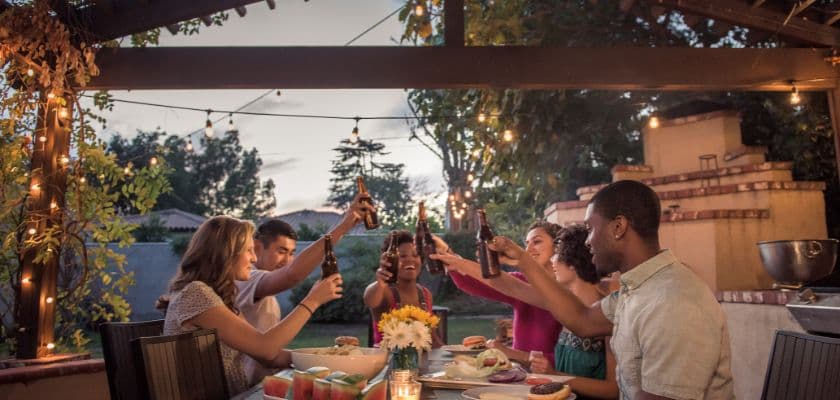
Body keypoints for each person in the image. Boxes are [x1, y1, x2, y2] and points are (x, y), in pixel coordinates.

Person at [488, 181, 735, 400]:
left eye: (592, 228)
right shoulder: (639, 289)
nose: (587, 241)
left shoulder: (673, 302)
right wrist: (522, 259)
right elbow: (581, 320)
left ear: (618, 226)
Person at [156, 216, 343, 395]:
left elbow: (270, 357)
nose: (254, 258)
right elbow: (265, 348)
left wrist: (329, 358)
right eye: (248, 250)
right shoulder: (196, 294)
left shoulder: (217, 297)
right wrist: (312, 301)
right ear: (226, 252)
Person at [433, 225, 618, 399]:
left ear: (573, 261)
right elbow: (509, 285)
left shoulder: (605, 311)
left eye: (558, 253)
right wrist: (454, 260)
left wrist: (552, 374)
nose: (553, 259)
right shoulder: (563, 303)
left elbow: (613, 390)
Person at [235, 195, 368, 382]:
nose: (287, 261)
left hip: (266, 384)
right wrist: (345, 225)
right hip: (246, 389)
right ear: (257, 247)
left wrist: (325, 358)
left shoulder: (266, 294)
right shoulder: (246, 279)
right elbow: (292, 274)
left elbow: (270, 353)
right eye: (281, 252)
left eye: (292, 254)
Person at [442, 221, 563, 364]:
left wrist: (514, 354)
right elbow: (471, 282)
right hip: (521, 375)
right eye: (526, 243)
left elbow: (567, 360)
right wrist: (447, 255)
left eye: (537, 242)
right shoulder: (522, 281)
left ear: (558, 246)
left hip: (553, 379)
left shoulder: (568, 291)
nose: (528, 249)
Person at [364, 230, 443, 348]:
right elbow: (370, 300)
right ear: (389, 260)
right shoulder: (385, 291)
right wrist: (380, 282)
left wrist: (454, 356)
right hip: (388, 363)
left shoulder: (425, 294)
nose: (410, 259)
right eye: (402, 256)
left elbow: (433, 339)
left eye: (415, 255)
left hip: (421, 363)